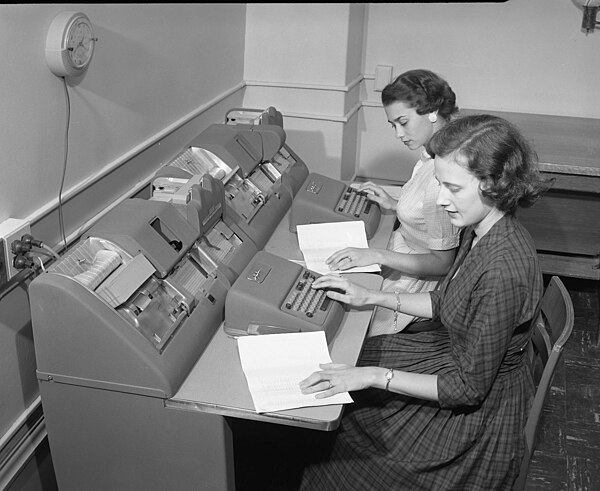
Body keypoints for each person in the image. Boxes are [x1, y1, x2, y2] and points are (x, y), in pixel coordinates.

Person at [299, 114, 550, 490]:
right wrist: (372, 295)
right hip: (458, 360)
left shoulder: (504, 271)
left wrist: (372, 378)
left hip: (477, 415)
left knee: (351, 416)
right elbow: (445, 301)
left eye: (453, 188)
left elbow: (467, 389)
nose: (443, 200)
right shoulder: (482, 228)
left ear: (495, 185)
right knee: (357, 366)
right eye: (439, 185)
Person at [327, 69, 461, 335]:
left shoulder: (441, 176)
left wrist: (375, 254)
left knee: (347, 325)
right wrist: (394, 203)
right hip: (403, 254)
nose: (398, 134)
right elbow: (426, 210)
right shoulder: (433, 150)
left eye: (403, 122)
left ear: (433, 111)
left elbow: (442, 262)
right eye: (393, 125)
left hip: (418, 280)